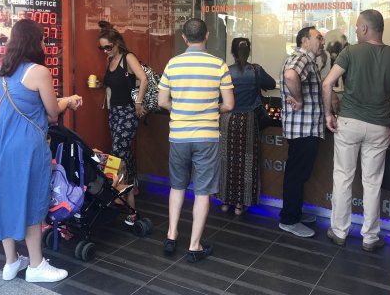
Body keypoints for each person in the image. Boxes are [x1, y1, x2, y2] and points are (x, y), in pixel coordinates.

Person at [0, 19, 83, 282]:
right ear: (33, 42)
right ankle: (36, 266)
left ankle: (11, 262)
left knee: (5, 199)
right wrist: (68, 100)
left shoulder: (2, 72)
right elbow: (52, 113)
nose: (43, 43)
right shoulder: (39, 71)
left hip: (4, 147)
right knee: (32, 201)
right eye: (41, 39)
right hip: (29, 148)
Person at [322, 9, 390, 252]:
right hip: (379, 125)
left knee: (343, 177)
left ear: (366, 29)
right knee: (372, 182)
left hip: (349, 123)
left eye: (358, 26)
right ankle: (370, 237)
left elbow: (328, 83)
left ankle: (339, 231)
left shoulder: (351, 52)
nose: (356, 30)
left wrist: (329, 114)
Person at [158, 18, 234, 263]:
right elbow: (229, 104)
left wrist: (180, 110)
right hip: (206, 137)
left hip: (179, 136)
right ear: (207, 35)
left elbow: (161, 102)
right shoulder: (218, 65)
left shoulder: (173, 64)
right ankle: (194, 246)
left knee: (177, 186)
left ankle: (171, 235)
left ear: (184, 38)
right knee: (202, 192)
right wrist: (211, 110)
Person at [98, 21, 148, 225]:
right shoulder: (109, 61)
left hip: (128, 111)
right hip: (114, 112)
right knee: (124, 152)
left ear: (117, 43)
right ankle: (131, 187)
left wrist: (138, 103)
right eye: (102, 48)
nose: (105, 51)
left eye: (108, 47)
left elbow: (143, 79)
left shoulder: (128, 57)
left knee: (118, 153)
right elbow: (112, 86)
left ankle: (127, 203)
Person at [218, 37, 276, 215]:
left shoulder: (226, 71)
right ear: (249, 52)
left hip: (228, 121)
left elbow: (219, 98)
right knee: (247, 162)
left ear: (233, 53)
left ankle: (226, 201)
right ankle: (240, 204)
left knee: (227, 160)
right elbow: (272, 84)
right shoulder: (256, 70)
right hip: (249, 121)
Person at [278, 26, 325, 238]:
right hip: (303, 129)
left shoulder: (308, 60)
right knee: (296, 175)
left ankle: (293, 212)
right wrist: (299, 99)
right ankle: (289, 219)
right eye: (318, 38)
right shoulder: (301, 58)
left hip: (305, 128)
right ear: (305, 41)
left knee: (298, 174)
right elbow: (290, 76)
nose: (322, 42)